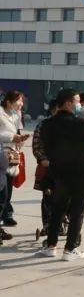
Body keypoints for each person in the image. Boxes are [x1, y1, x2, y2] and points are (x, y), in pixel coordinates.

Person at [37, 89, 84, 261]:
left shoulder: (47, 125)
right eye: (77, 101)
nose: (79, 104)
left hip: (60, 171)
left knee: (58, 208)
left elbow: (47, 148)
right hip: (83, 171)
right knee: (78, 210)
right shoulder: (81, 123)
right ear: (67, 103)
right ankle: (70, 249)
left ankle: (51, 246)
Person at [32, 100, 65, 238]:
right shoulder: (43, 125)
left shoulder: (69, 124)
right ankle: (48, 224)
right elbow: (36, 144)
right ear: (52, 110)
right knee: (48, 196)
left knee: (65, 197)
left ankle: (63, 223)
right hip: (48, 167)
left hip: (65, 168)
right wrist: (43, 159)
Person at [0, 90, 28, 230]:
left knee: (8, 186)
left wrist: (20, 140)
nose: (21, 104)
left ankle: (7, 214)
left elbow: (17, 132)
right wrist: (11, 138)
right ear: (8, 102)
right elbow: (8, 135)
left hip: (11, 154)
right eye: (18, 101)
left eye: (22, 101)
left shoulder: (17, 114)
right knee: (2, 187)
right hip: (1, 153)